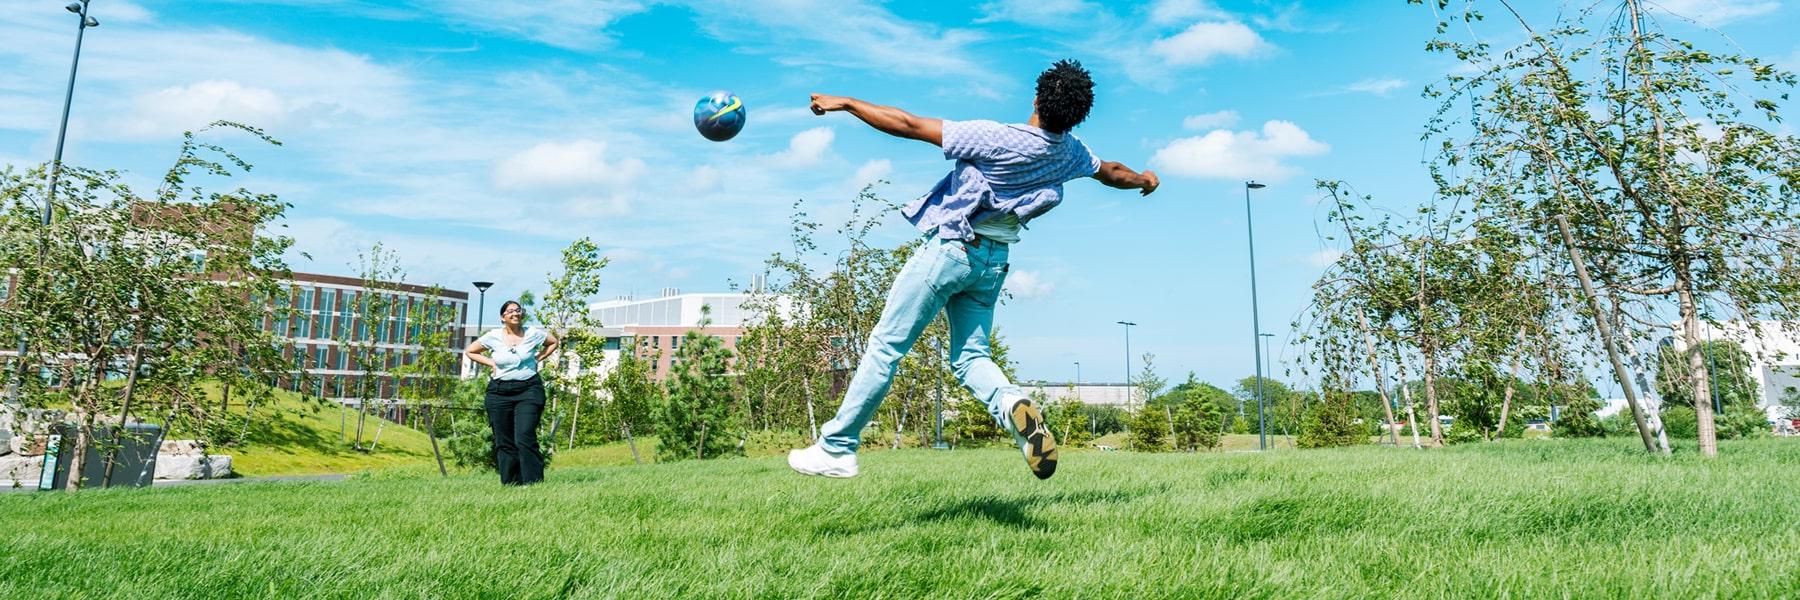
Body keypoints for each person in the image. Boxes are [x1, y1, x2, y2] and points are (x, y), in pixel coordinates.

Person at [789, 59, 1159, 480]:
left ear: (1036, 98)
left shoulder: (995, 138)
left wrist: (849, 103)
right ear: (1076, 116)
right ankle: (1010, 403)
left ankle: (836, 447)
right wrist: (1145, 180)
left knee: (885, 348)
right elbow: (1109, 172)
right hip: (994, 263)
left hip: (951, 252)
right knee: (970, 357)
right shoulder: (1070, 152)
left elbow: (909, 125)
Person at [463, 300, 558, 485]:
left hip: (529, 390)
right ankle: (511, 484)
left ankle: (533, 484)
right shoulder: (493, 336)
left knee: (524, 437)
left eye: (517, 310)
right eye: (510, 311)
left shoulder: (533, 333)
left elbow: (553, 342)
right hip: (499, 393)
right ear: (502, 317)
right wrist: (491, 363)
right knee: (504, 441)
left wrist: (539, 358)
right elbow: (470, 351)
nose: (515, 313)